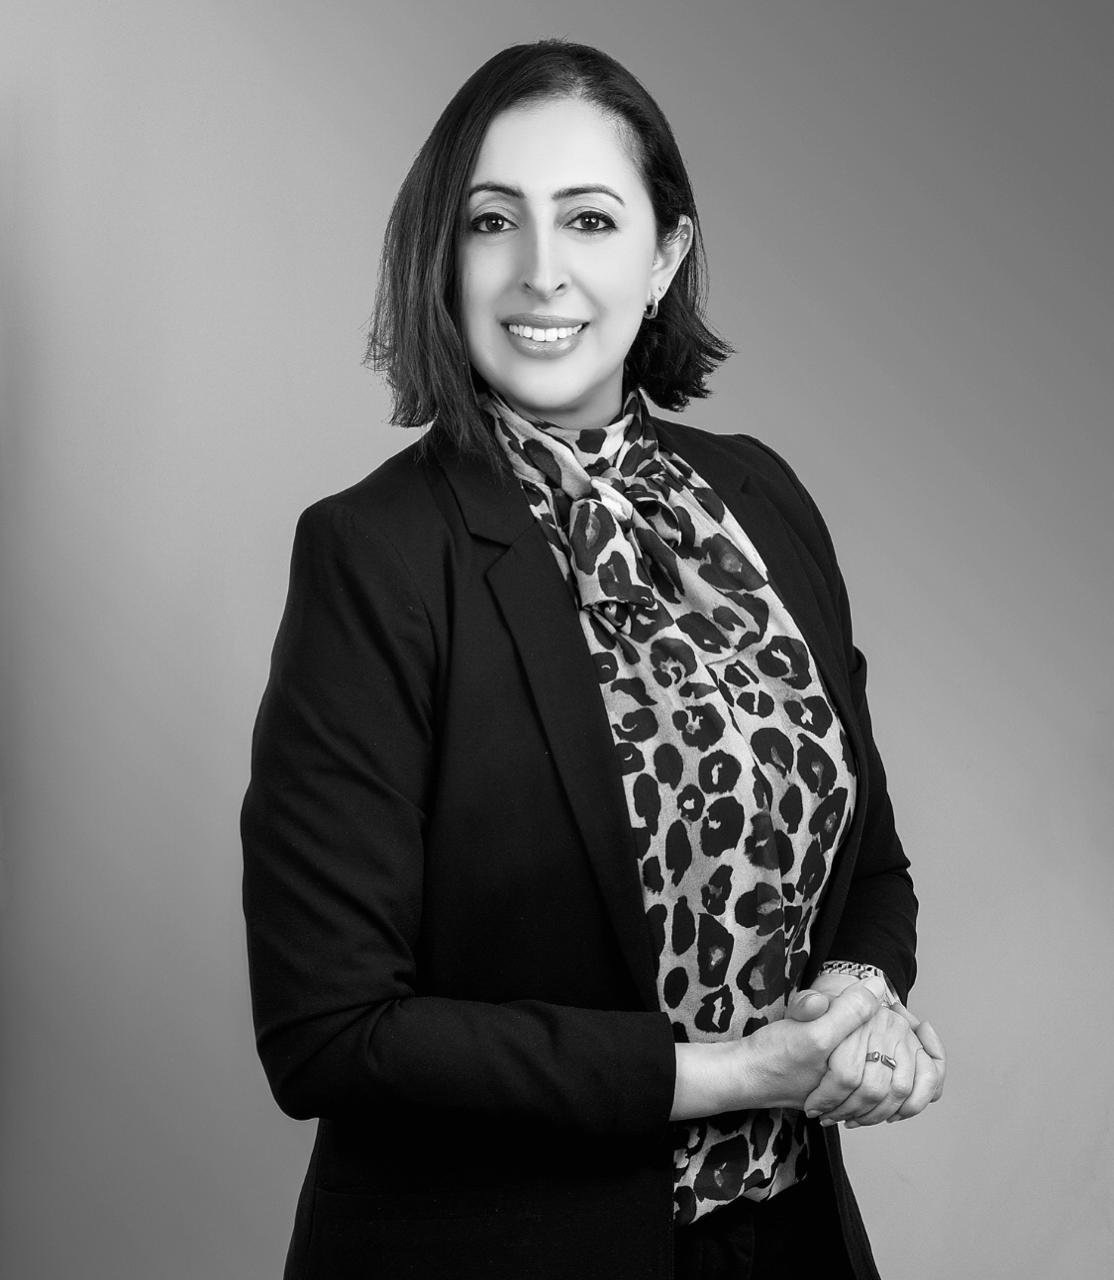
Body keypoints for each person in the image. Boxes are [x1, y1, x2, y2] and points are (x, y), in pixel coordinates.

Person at [241, 39, 946, 1280]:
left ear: (664, 256)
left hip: (789, 1243)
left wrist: (857, 998)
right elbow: (331, 1031)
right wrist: (733, 1071)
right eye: (491, 221)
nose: (539, 269)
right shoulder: (374, 552)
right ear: (442, 255)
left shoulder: (763, 499)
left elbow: (869, 860)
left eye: (589, 218)